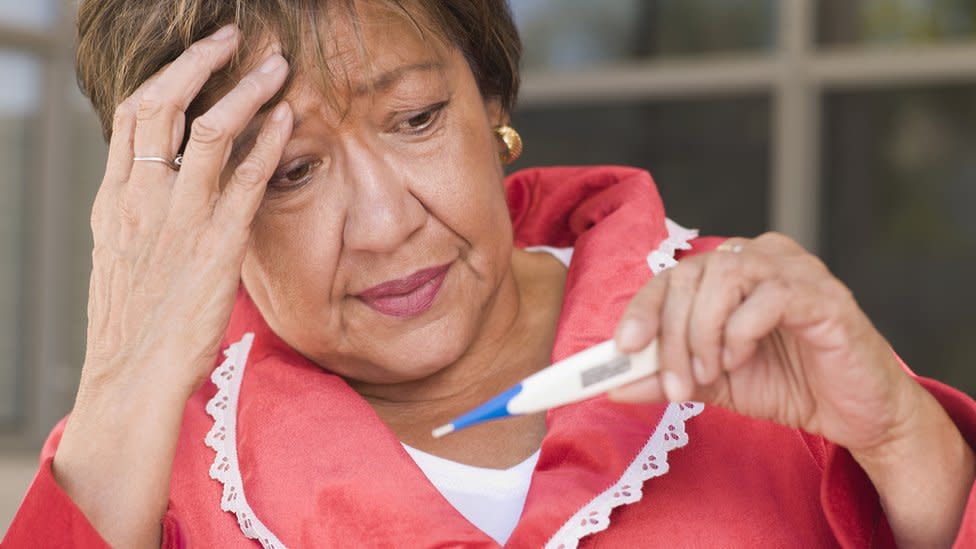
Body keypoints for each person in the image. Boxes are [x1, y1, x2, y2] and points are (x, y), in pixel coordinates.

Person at [4, 1, 976, 547]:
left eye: (418, 118)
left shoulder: (749, 332)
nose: (385, 224)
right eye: (292, 173)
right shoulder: (153, 463)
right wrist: (120, 380)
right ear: (197, 209)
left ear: (493, 102)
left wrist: (899, 436)